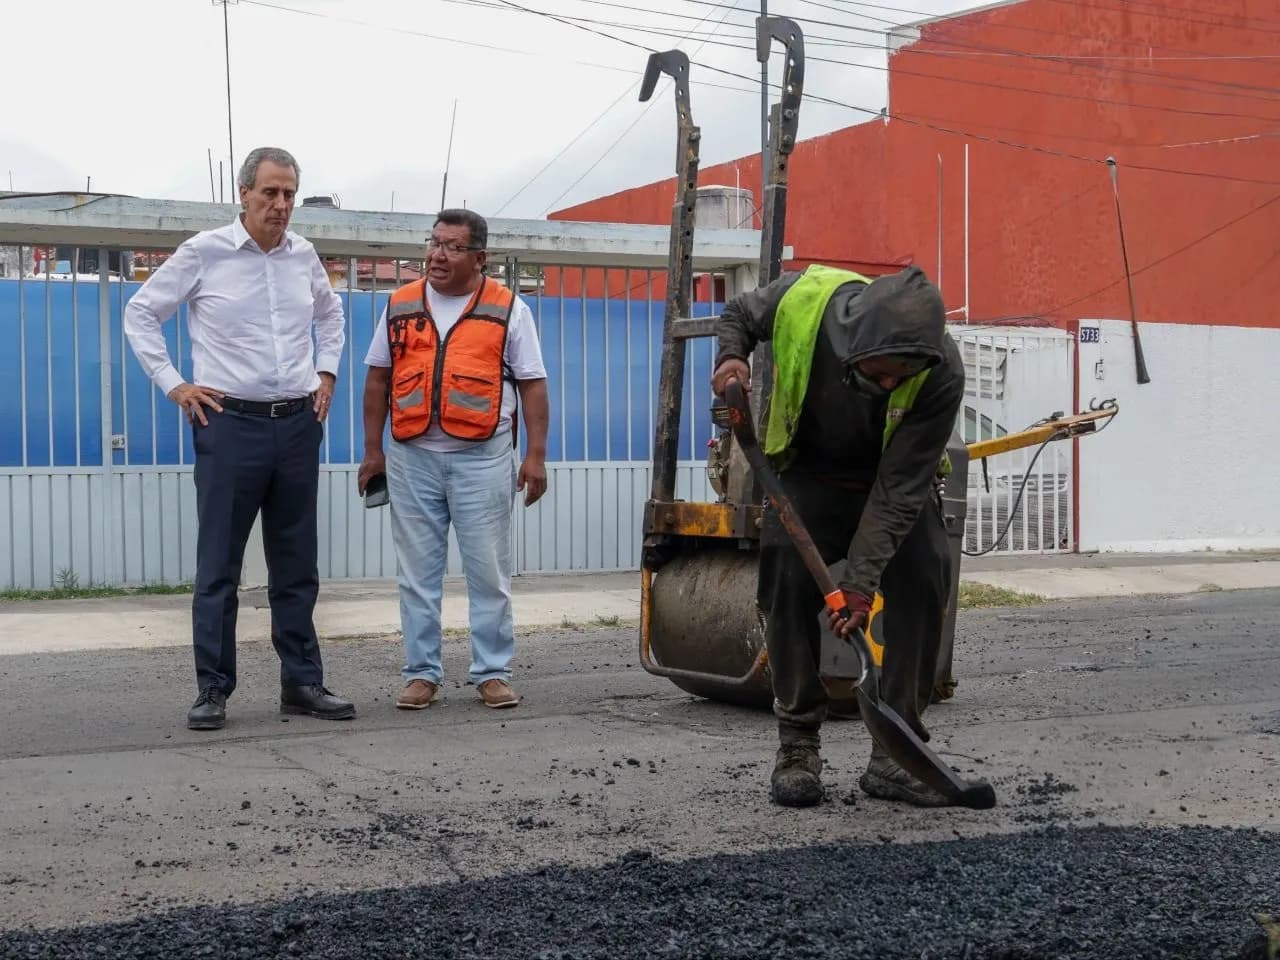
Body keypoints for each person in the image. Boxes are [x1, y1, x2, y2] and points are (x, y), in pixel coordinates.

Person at [710, 264, 964, 808]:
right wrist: (732, 357)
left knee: (925, 575)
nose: (891, 385)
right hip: (810, 474)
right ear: (858, 341)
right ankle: (798, 742)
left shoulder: (941, 369)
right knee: (784, 581)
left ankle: (896, 752)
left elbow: (899, 491)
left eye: (903, 376)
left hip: (889, 480)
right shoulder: (803, 301)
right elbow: (737, 314)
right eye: (883, 373)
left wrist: (860, 586)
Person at [124, 146, 355, 731]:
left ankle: (301, 683)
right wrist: (175, 385)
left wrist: (327, 372)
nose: (280, 204)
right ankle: (213, 689)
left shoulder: (303, 255)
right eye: (270, 192)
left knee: (296, 563)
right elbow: (141, 313)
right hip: (228, 425)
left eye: (289, 194)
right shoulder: (204, 252)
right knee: (219, 566)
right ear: (244, 193)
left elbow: (330, 316)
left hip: (298, 424)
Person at [358, 209, 549, 711]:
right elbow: (377, 379)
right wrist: (373, 450)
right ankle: (421, 673)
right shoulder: (400, 303)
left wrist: (535, 456)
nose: (437, 255)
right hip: (411, 458)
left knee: (489, 572)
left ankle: (492, 671)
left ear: (479, 258)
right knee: (417, 575)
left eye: (452, 247)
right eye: (434, 243)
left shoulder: (509, 309)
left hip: (483, 459)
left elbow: (533, 385)